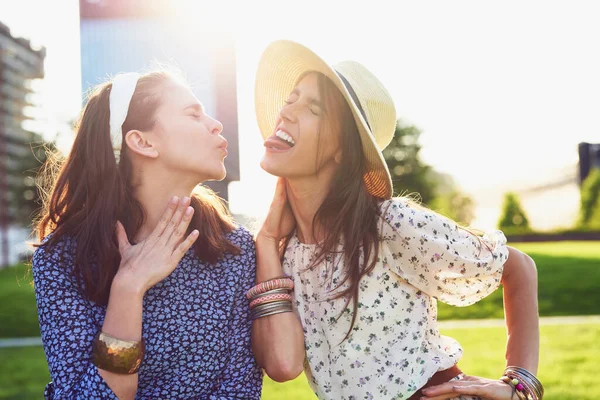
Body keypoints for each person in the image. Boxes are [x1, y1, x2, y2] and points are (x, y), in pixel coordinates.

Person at [250, 40, 543, 400]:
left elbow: (519, 268)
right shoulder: (282, 252)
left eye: (314, 108)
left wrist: (520, 384)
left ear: (343, 148)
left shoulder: (388, 224)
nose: (286, 113)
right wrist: (265, 240)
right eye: (290, 100)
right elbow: (283, 366)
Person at [32, 69, 263, 399]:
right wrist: (128, 288)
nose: (215, 124)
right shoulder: (62, 259)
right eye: (192, 114)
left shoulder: (233, 249)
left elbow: (239, 390)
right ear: (142, 141)